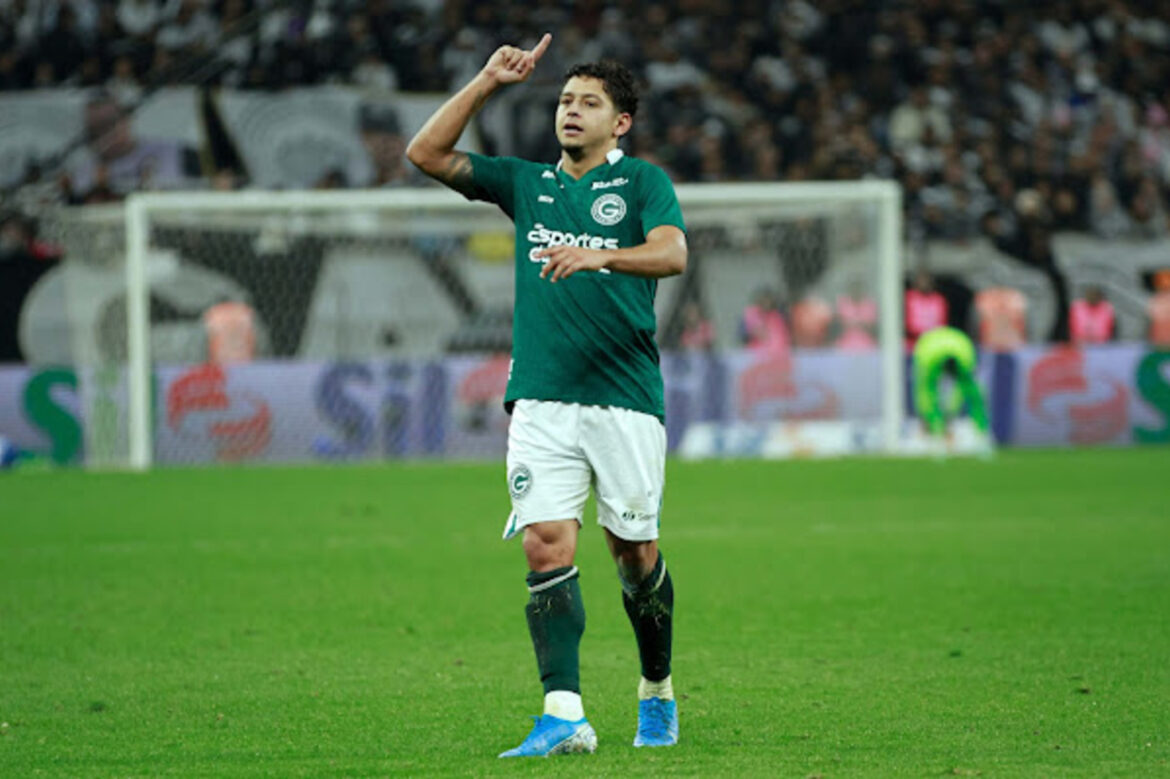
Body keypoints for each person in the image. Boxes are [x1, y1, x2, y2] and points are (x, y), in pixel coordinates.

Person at [407, 35, 687, 757]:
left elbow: (673, 252)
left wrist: (602, 255)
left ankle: (656, 687)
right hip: (540, 397)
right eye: (565, 99)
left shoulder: (642, 183)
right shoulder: (526, 184)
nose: (571, 110)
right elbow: (426, 153)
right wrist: (485, 82)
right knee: (544, 544)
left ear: (620, 122)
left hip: (624, 397)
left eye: (589, 102)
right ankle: (564, 714)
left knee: (635, 555)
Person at [912, 326, 993, 454]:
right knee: (927, 400)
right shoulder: (927, 360)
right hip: (929, 350)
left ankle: (982, 435)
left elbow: (963, 392)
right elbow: (926, 396)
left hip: (958, 347)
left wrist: (949, 415)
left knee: (975, 394)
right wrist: (938, 425)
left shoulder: (965, 357)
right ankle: (934, 434)